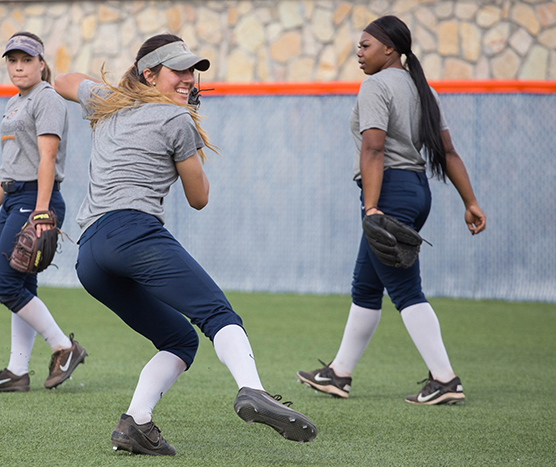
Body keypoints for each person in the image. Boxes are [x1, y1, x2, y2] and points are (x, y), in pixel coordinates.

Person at [54, 33, 317, 455]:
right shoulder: (177, 120)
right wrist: (187, 124)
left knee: (179, 340)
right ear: (149, 73)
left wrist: (109, 93)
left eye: (192, 70)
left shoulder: (106, 102)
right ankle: (253, 389)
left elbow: (63, 80)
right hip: (132, 232)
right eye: (178, 69)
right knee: (217, 312)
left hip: (90, 254)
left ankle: (135, 424)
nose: (189, 78)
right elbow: (199, 198)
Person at [297, 16, 486, 405]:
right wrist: (470, 201)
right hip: (416, 191)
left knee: (405, 289)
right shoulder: (422, 89)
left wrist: (370, 207)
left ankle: (446, 380)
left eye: (366, 46)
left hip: (388, 194)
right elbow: (447, 152)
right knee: (366, 286)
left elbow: (374, 149)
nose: (359, 53)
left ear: (390, 49)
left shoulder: (377, 86)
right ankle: (339, 374)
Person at [0, 32, 86, 393]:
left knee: (5, 286)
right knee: (21, 286)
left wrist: (40, 211)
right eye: (12, 60)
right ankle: (16, 372)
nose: (18, 66)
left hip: (37, 198)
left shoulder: (47, 99)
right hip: (12, 197)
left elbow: (47, 158)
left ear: (41, 63)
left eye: (26, 60)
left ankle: (64, 348)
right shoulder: (14, 102)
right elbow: (9, 165)